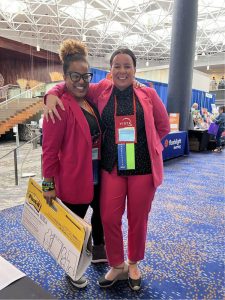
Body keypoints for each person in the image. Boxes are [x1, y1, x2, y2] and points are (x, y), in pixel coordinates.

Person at [44, 47, 170, 291]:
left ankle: (133, 263)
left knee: (138, 219)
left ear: (135, 69)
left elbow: (163, 127)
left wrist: (150, 146)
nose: (122, 71)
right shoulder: (100, 89)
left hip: (142, 169)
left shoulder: (149, 95)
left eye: (127, 66)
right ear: (110, 71)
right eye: (117, 66)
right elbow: (69, 85)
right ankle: (116, 263)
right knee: (110, 218)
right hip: (112, 168)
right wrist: (49, 94)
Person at [42, 39, 107, 289]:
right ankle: (72, 268)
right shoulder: (58, 106)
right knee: (73, 228)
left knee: (99, 218)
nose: (81, 81)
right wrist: (48, 183)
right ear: (65, 76)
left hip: (98, 176)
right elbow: (49, 151)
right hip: (72, 178)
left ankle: (98, 254)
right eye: (75, 76)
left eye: (85, 75)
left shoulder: (89, 99)